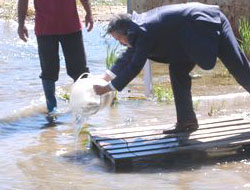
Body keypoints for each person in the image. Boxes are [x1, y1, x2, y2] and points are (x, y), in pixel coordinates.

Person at [93, 2, 250, 133]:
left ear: (127, 31)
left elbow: (135, 66)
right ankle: (187, 122)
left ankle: (186, 121)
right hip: (190, 36)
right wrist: (107, 76)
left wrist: (108, 88)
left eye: (119, 38)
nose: (120, 42)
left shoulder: (141, 30)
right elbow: (128, 56)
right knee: (177, 70)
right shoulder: (135, 28)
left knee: (239, 68)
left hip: (208, 22)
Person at [17, 0, 93, 121]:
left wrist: (89, 13)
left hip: (71, 27)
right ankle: (52, 110)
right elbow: (23, 1)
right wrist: (21, 24)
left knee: (80, 71)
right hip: (45, 30)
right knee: (48, 72)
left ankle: (82, 109)